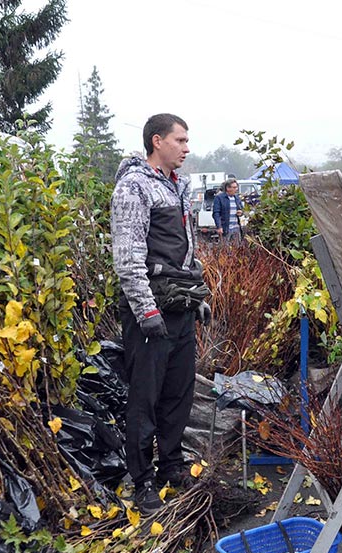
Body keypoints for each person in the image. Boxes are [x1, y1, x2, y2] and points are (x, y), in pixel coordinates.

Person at [111, 113, 212, 515]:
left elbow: (183, 253)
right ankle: (142, 482)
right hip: (150, 314)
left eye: (188, 141)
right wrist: (145, 309)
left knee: (178, 394)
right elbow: (128, 256)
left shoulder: (178, 186)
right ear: (157, 141)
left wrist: (196, 298)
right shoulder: (133, 187)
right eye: (181, 140)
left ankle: (171, 466)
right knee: (145, 400)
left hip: (180, 308)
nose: (187, 148)